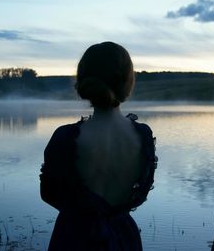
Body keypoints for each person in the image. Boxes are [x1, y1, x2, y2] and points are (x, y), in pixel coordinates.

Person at [40, 41, 157, 251]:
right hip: (124, 239)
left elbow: (50, 194)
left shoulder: (65, 137)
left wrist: (84, 212)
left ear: (83, 79)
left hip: (74, 238)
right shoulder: (143, 136)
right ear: (127, 81)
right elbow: (141, 193)